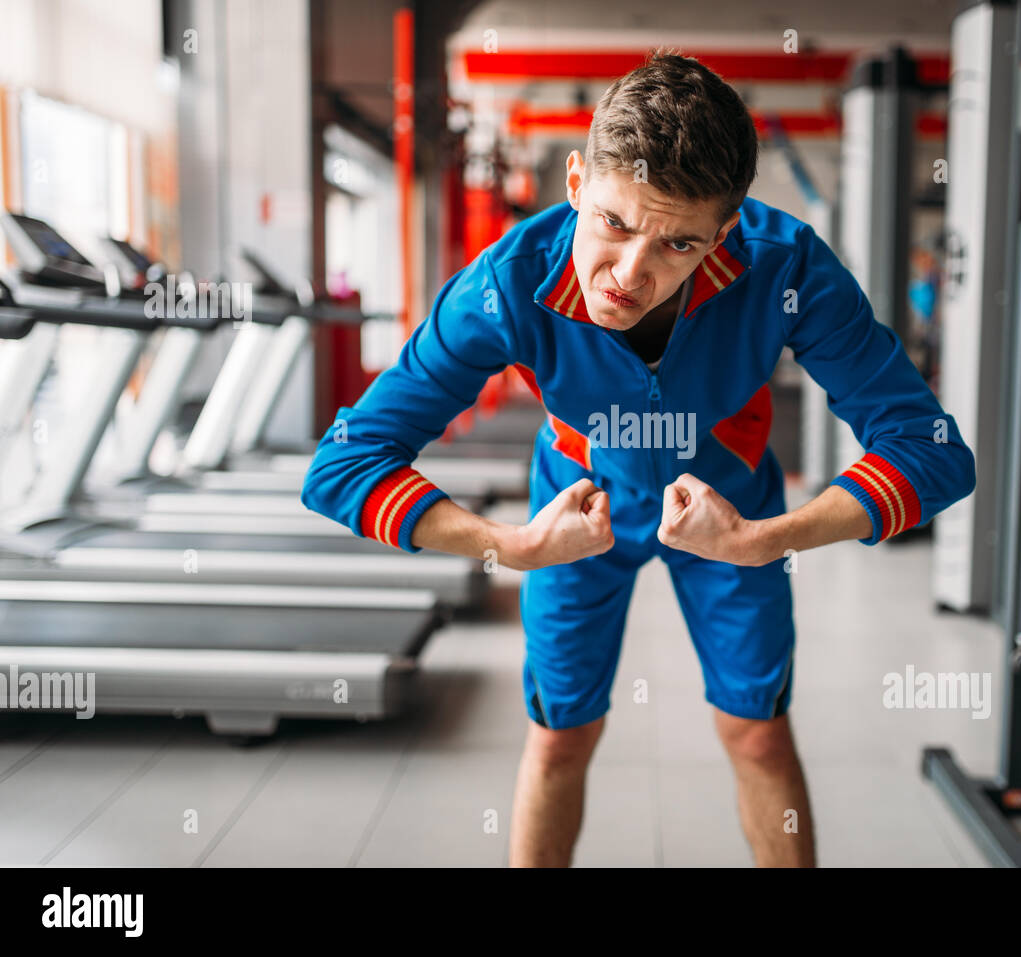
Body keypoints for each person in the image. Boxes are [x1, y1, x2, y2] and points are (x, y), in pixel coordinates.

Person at [302, 50, 976, 867]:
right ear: (578, 182)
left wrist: (772, 537)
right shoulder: (507, 285)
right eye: (615, 224)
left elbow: (934, 451)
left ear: (723, 233)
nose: (629, 275)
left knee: (757, 734)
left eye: (678, 244)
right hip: (575, 517)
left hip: (737, 514)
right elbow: (342, 465)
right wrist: (510, 546)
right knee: (560, 739)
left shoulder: (785, 266)